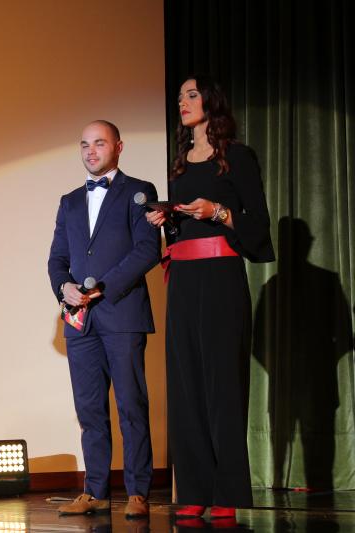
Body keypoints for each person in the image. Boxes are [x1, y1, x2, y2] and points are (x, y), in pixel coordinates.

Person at [146, 75, 274, 522]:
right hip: (182, 277)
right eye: (180, 96)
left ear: (212, 101)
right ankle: (195, 489)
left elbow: (258, 226)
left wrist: (216, 211)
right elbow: (183, 228)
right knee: (186, 386)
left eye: (192, 95)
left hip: (221, 277)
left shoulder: (236, 157)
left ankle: (227, 492)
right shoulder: (180, 163)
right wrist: (165, 218)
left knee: (223, 384)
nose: (182, 102)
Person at [48, 120, 160, 519]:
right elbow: (57, 258)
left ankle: (138, 492)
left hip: (122, 314)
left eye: (99, 143)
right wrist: (65, 287)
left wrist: (104, 288)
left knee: (131, 404)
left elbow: (147, 250)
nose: (91, 150)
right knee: (90, 409)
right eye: (84, 144)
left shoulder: (139, 192)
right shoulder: (70, 200)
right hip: (81, 323)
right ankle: (94, 490)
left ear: (118, 146)